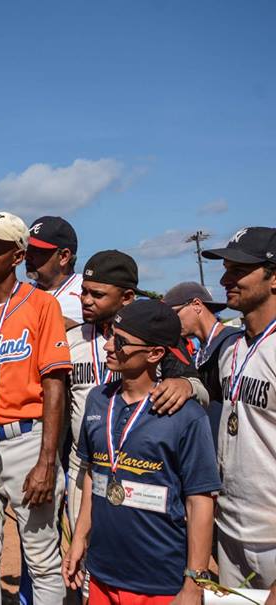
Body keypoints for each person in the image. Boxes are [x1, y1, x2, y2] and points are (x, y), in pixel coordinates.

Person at [62, 300, 219, 603]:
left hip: (158, 581)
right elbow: (95, 474)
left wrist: (194, 582)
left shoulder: (184, 415)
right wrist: (80, 537)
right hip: (103, 572)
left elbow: (199, 501)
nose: (108, 345)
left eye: (120, 341)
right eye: (110, 335)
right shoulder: (97, 400)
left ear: (155, 354)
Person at [0, 211, 71, 604]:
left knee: (41, 559)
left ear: (18, 256)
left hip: (26, 439)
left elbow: (55, 385)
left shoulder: (42, 305)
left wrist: (47, 461)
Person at [65, 251, 207, 567]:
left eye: (97, 294)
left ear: (127, 296)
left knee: (130, 557)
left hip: (140, 471)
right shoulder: (71, 338)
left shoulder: (154, 337)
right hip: (84, 468)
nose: (86, 300)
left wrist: (187, 385)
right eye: (84, 292)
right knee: (80, 559)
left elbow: (198, 386)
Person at [200, 226, 276, 596]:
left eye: (239, 270)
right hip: (229, 529)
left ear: (274, 278)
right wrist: (188, 384)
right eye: (226, 267)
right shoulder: (231, 347)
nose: (225, 278)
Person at [164, 281, 241, 448]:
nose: (170, 322)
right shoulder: (198, 350)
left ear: (196, 305)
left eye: (174, 313)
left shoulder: (233, 342)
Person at [26, 216, 82, 328]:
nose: (27, 257)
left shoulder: (86, 291)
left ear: (64, 256)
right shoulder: (22, 294)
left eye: (37, 251)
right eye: (27, 250)